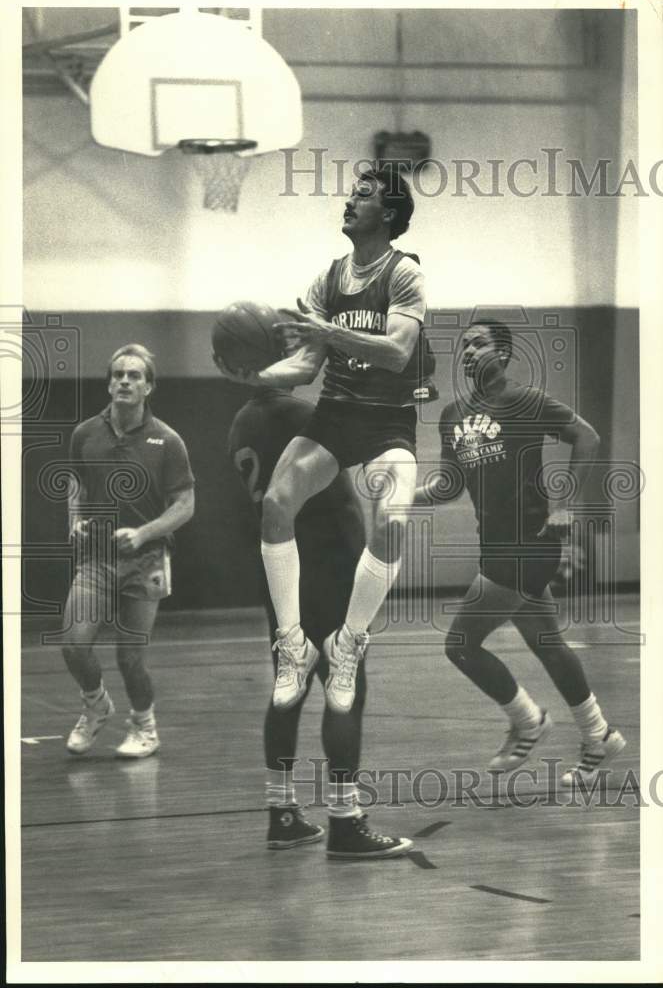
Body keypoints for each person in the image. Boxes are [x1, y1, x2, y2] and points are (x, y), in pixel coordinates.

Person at [217, 164, 436, 719]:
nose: (349, 200)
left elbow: (397, 351)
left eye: (362, 194)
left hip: (388, 421)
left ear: (386, 213)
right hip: (337, 414)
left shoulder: (405, 274)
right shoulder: (327, 278)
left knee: (392, 522)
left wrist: (330, 332)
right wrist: (256, 377)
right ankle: (293, 645)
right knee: (275, 504)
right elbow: (308, 363)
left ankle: (348, 643)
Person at [413, 319, 626, 786]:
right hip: (497, 546)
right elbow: (451, 482)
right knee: (547, 642)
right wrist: (411, 494)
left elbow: (587, 437)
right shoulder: (453, 414)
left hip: (529, 545)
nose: (469, 351)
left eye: (480, 343)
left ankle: (528, 721)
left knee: (461, 645)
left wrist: (568, 504)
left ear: (504, 355)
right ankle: (599, 735)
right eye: (465, 345)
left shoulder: (526, 401)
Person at [224, 377, 412, 858]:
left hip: (282, 568)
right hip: (329, 560)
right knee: (346, 688)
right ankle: (345, 822)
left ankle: (282, 814)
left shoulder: (241, 421)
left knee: (289, 682)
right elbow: (354, 479)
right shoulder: (306, 412)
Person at [62, 344, 195, 758]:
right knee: (73, 644)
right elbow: (76, 485)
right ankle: (96, 705)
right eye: (118, 373)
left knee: (129, 658)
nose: (124, 380)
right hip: (96, 558)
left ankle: (145, 727)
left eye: (134, 375)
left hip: (147, 560)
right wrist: (74, 524)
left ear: (149, 386)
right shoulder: (86, 433)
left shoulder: (168, 441)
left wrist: (143, 534)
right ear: (109, 382)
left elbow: (186, 504)